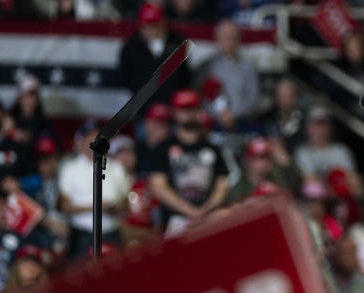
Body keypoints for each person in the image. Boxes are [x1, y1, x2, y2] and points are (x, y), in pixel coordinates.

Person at [148, 89, 229, 234]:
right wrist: (191, 211)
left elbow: (222, 183)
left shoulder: (213, 149)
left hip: (208, 217)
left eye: (192, 109)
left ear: (199, 111)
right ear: (174, 112)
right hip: (176, 219)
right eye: (183, 109)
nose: (188, 114)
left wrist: (205, 210)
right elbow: (158, 186)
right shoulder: (163, 148)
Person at [58, 124, 131, 260]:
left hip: (112, 232)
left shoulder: (117, 168)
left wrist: (114, 208)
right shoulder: (70, 169)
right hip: (82, 234)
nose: (95, 140)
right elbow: (63, 206)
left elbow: (127, 205)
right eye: (90, 137)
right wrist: (96, 206)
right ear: (82, 141)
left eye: (99, 137)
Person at [116, 2, 191, 103]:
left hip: (172, 108)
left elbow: (184, 77)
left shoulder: (178, 43)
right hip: (142, 108)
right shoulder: (131, 47)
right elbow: (124, 77)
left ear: (164, 22)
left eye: (154, 25)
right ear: (140, 25)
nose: (150, 30)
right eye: (145, 25)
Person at [195, 20, 261, 130]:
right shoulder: (206, 66)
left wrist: (233, 115)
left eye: (232, 38)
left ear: (238, 40)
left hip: (243, 124)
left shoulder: (249, 67)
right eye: (224, 38)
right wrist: (219, 115)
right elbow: (199, 95)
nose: (228, 42)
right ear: (217, 40)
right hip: (211, 126)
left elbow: (253, 97)